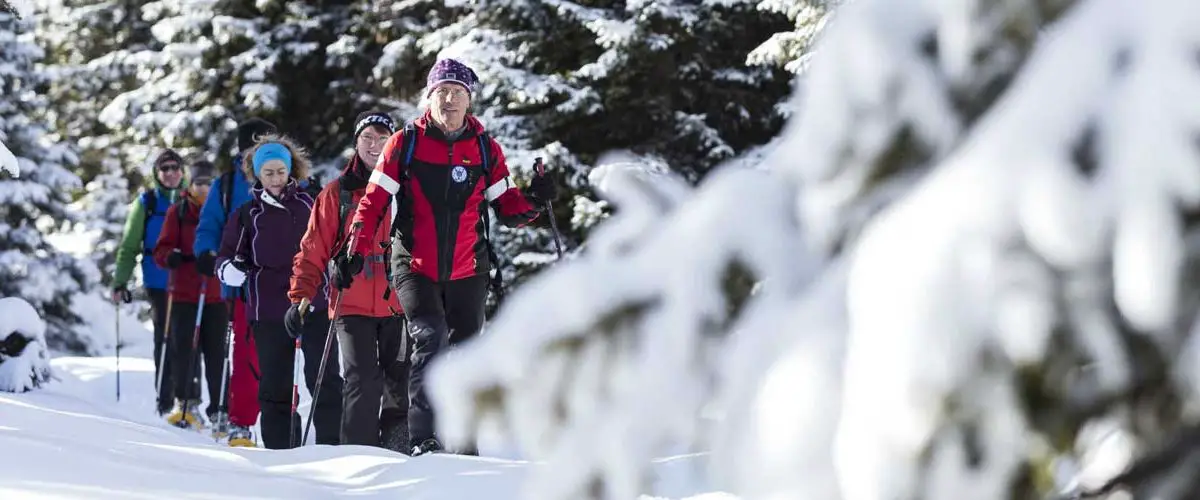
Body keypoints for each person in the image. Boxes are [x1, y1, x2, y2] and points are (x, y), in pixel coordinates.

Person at [342, 59, 558, 455]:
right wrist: (355, 249)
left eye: (458, 92)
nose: (450, 99)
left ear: (469, 100)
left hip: (468, 269)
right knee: (429, 339)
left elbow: (508, 209)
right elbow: (373, 202)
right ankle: (423, 436)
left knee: (466, 351)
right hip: (414, 266)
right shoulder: (404, 143)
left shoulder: (484, 148)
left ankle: (464, 438)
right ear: (429, 97)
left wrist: (537, 199)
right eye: (442, 91)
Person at [288, 110, 411, 451]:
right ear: (356, 143)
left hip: (398, 303)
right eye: (367, 138)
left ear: (392, 143)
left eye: (381, 138)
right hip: (350, 303)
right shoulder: (337, 194)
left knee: (398, 383)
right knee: (360, 380)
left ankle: (398, 453)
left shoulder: (405, 190)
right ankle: (360, 456)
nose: (374, 145)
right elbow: (312, 249)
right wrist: (300, 295)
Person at [215, 136, 343, 449]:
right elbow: (226, 257)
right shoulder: (247, 214)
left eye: (281, 172)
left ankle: (334, 445)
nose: (275, 179)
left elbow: (331, 243)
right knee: (275, 383)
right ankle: (278, 450)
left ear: (291, 171)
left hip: (311, 302)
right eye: (268, 173)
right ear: (258, 175)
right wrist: (233, 269)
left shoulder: (310, 204)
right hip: (268, 308)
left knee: (323, 378)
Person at [194, 118, 277, 440]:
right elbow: (209, 225)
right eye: (251, 146)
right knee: (243, 354)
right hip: (241, 283)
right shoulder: (228, 184)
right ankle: (241, 420)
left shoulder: (285, 178)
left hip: (281, 282)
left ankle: (280, 418)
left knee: (280, 354)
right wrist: (206, 253)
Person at [111, 149, 190, 415]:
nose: (170, 173)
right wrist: (119, 282)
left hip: (189, 281)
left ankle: (188, 398)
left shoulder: (192, 199)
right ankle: (165, 399)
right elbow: (130, 245)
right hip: (158, 281)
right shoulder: (147, 202)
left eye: (175, 168)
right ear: (157, 174)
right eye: (164, 169)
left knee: (188, 338)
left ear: (182, 171)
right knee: (165, 338)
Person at [154, 160, 228, 430]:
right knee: (184, 352)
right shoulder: (178, 212)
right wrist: (170, 257)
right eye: (199, 183)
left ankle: (221, 409)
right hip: (185, 294)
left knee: (216, 355)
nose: (203, 189)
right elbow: (161, 250)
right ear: (191, 184)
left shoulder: (222, 211)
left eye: (208, 183)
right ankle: (186, 402)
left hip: (215, 295)